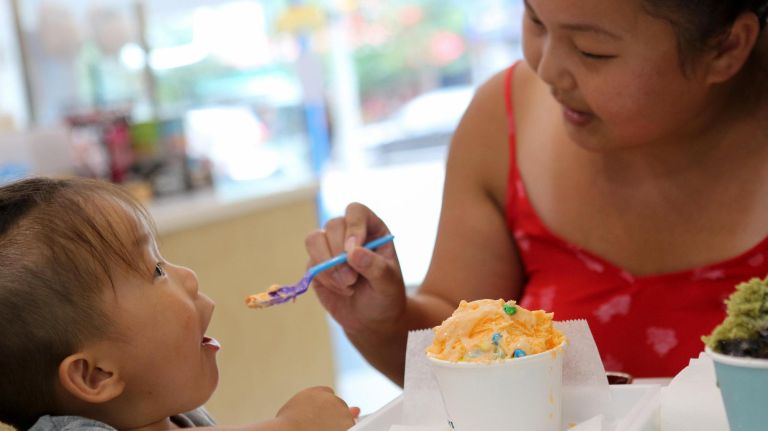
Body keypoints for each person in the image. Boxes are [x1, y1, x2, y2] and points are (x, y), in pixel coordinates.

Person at [305, 0, 768, 383]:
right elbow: (452, 356)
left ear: (726, 48)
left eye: (592, 51)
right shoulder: (504, 121)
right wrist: (382, 320)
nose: (548, 70)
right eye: (535, 21)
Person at [0, 177, 357, 431]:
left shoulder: (174, 415)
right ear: (96, 375)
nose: (188, 276)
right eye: (156, 270)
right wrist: (290, 427)